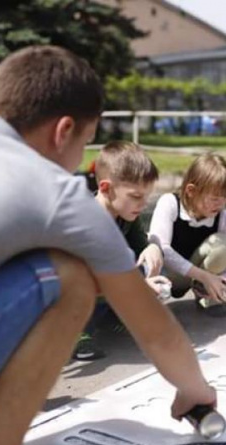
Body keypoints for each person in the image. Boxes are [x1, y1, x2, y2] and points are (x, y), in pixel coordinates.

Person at [0, 46, 217, 445]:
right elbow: (154, 329)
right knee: (66, 276)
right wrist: (196, 391)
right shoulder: (58, 192)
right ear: (63, 131)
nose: (82, 157)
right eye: (86, 144)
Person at [75, 141, 172, 361]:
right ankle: (78, 333)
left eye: (147, 197)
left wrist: (152, 248)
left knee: (140, 266)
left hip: (104, 293)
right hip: (72, 295)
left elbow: (141, 245)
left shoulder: (125, 215)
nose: (144, 204)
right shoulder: (83, 221)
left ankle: (114, 319)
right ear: (106, 189)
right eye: (136, 196)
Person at [148, 153, 226, 312]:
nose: (220, 203)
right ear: (191, 191)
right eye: (214, 198)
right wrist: (204, 276)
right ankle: (149, 298)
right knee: (154, 252)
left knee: (221, 245)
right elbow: (162, 249)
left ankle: (206, 295)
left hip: (197, 277)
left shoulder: (221, 218)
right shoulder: (169, 203)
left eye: (225, 197)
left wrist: (220, 282)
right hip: (169, 275)